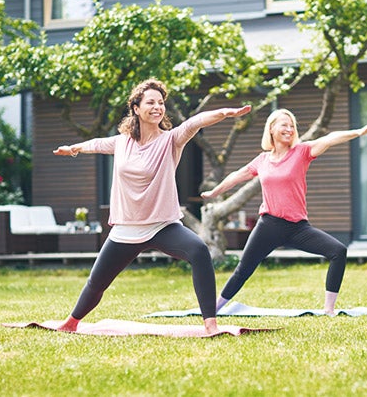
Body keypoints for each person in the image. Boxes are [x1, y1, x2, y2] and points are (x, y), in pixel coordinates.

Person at [53, 78, 251, 334]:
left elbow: (195, 122)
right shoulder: (122, 142)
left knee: (199, 251)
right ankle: (71, 323)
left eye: (161, 103)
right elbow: (96, 143)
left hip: (162, 225)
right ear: (136, 108)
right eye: (150, 102)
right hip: (126, 228)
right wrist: (73, 149)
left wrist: (225, 113)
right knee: (97, 282)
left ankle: (210, 324)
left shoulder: (171, 140)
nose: (157, 107)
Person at [201, 109, 367, 316]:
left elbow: (329, 139)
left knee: (338, 251)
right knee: (243, 269)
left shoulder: (302, 152)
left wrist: (357, 132)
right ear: (271, 129)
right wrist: (215, 191)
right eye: (284, 125)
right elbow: (236, 175)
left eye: (292, 126)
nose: (289, 129)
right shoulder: (262, 160)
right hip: (269, 226)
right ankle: (213, 309)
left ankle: (328, 310)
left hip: (297, 228)